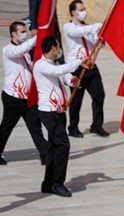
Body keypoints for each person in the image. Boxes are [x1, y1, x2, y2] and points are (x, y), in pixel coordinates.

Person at [33, 36, 83, 198]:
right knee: (63, 145)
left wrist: (73, 80)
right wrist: (79, 62)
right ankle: (57, 183)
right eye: (58, 47)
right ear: (53, 48)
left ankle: (48, 183)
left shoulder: (56, 64)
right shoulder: (40, 65)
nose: (59, 49)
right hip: (48, 111)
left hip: (60, 111)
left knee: (54, 147)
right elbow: (59, 72)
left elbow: (65, 75)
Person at [0, 22, 48, 166]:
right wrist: (38, 36)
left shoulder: (25, 53)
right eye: (21, 32)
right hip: (13, 97)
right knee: (6, 127)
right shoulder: (8, 50)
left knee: (35, 126)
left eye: (25, 31)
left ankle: (45, 154)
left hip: (27, 98)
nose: (24, 34)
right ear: (13, 34)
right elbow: (20, 50)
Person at [63, 2, 107, 138]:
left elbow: (97, 44)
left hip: (91, 67)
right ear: (73, 13)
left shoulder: (88, 28)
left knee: (99, 95)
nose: (84, 12)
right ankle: (73, 127)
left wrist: (100, 42)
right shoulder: (68, 27)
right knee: (76, 100)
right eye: (81, 10)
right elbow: (78, 32)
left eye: (84, 9)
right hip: (77, 67)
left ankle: (97, 125)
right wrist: (98, 25)